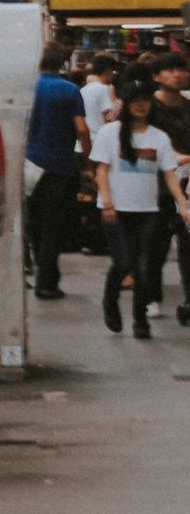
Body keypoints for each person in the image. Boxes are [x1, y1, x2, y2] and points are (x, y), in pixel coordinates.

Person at [91, 84, 190, 338]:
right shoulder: (109, 133)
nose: (141, 105)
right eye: (135, 100)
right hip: (115, 211)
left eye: (146, 100)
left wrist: (183, 204)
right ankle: (110, 301)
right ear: (126, 104)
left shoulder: (158, 137)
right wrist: (108, 202)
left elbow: (169, 174)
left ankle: (140, 320)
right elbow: (101, 170)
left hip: (148, 210)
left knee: (145, 267)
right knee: (124, 262)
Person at [24, 46, 89, 300]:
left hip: (29, 164)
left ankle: (41, 268)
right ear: (61, 65)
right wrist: (87, 160)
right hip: (60, 166)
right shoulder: (70, 90)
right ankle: (46, 282)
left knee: (35, 222)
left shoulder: (26, 88)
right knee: (54, 226)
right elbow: (82, 129)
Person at [144, 52, 190, 323]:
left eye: (181, 69)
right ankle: (151, 297)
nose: (178, 74)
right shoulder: (147, 108)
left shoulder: (188, 106)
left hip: (187, 190)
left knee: (188, 246)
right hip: (155, 188)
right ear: (157, 76)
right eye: (170, 70)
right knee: (155, 246)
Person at [80, 55, 119, 139]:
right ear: (108, 70)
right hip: (99, 139)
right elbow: (108, 117)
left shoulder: (83, 90)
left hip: (85, 139)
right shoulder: (104, 89)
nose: (113, 74)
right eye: (113, 71)